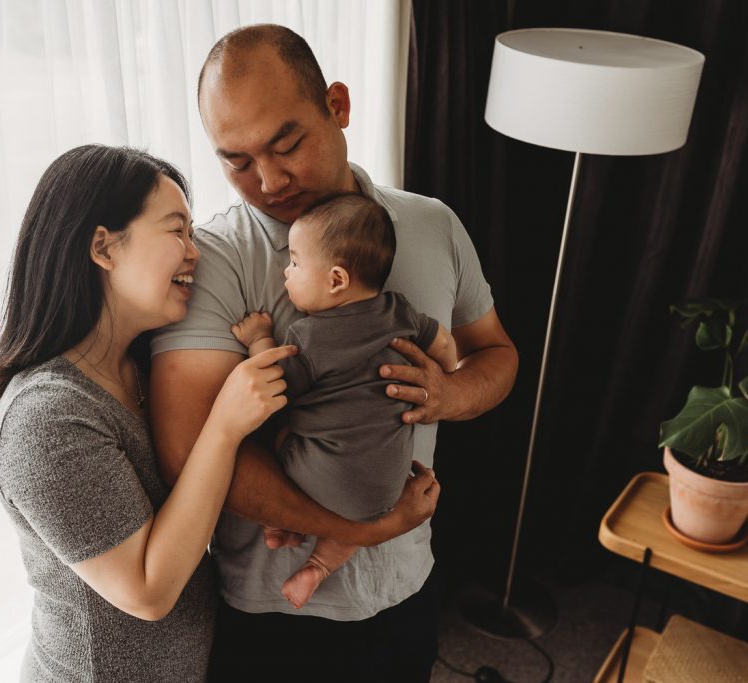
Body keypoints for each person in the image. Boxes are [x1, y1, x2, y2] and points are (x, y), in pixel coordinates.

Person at [151, 24, 517, 683]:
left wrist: (452, 393)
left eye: (286, 143)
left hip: (409, 585)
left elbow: (495, 353)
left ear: (338, 107)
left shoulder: (432, 224)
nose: (268, 179)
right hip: (274, 615)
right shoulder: (212, 261)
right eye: (236, 160)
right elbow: (187, 449)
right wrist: (355, 529)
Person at [0, 145, 299, 681]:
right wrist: (223, 425)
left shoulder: (144, 370)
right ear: (103, 247)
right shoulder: (46, 421)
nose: (195, 253)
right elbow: (148, 591)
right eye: (177, 232)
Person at [230, 193, 458, 610]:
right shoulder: (400, 311)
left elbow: (274, 389)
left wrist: (258, 337)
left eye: (295, 263)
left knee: (277, 436)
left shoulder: (309, 337)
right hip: (387, 492)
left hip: (321, 475)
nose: (286, 271)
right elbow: (443, 341)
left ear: (336, 280)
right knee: (361, 513)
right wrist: (443, 372)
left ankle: (283, 523)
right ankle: (316, 567)